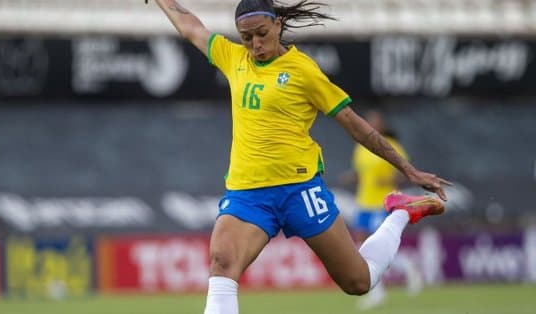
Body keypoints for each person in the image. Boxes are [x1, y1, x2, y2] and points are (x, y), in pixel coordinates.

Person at [153, 1, 452, 313]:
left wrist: (407, 168)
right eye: (246, 37)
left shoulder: (304, 71)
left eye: (262, 34)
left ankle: (401, 213)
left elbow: (355, 125)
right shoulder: (233, 58)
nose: (255, 44)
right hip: (248, 194)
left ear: (278, 25)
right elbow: (190, 27)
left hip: (300, 190)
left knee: (358, 282)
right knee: (222, 261)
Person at [342, 109, 423, 310]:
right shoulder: (361, 148)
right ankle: (378, 293)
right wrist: (351, 177)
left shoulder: (391, 146)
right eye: (369, 121)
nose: (371, 124)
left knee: (378, 245)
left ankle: (408, 268)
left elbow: (405, 170)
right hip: (363, 202)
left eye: (375, 121)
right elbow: (361, 173)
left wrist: (387, 180)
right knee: (361, 247)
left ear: (382, 125)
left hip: (382, 202)